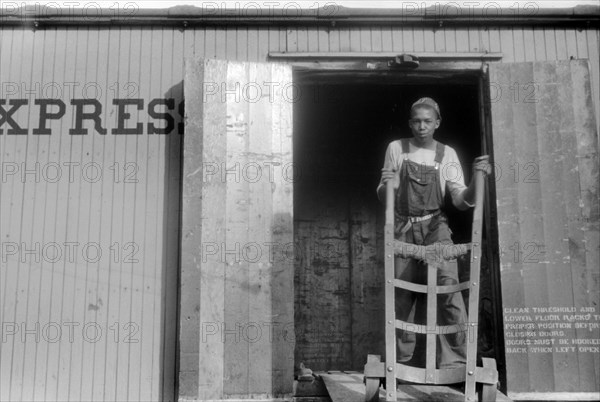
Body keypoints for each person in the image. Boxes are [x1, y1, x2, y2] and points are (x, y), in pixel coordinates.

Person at [377, 97, 489, 369]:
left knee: (448, 286)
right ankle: (399, 363)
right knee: (401, 294)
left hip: (435, 227)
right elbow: (383, 195)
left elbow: (462, 200)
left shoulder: (447, 153)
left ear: (437, 123)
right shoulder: (397, 149)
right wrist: (388, 186)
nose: (421, 126)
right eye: (416, 121)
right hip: (402, 226)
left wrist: (477, 179)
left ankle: (457, 363)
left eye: (427, 121)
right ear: (409, 123)